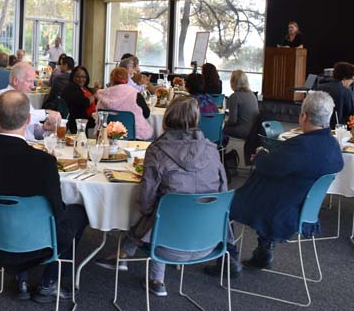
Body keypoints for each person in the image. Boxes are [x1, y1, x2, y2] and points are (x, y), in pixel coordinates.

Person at [96, 96, 231, 295]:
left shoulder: (158, 151)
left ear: (166, 119)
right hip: (209, 240)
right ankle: (143, 270)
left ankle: (132, 260)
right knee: (169, 207)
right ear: (196, 121)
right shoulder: (212, 150)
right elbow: (222, 193)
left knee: (151, 207)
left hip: (167, 242)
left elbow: (146, 202)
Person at [0, 90, 89, 302]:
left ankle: (21, 277)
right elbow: (57, 212)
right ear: (29, 119)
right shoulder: (43, 162)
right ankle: (48, 283)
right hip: (39, 242)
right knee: (79, 211)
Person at [225, 91, 343, 270]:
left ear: (303, 116)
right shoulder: (333, 146)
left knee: (224, 205)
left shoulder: (301, 146)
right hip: (303, 207)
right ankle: (264, 250)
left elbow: (269, 167)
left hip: (281, 209)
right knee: (273, 189)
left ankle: (228, 259)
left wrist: (260, 155)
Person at [0, 62, 60, 141]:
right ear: (15, 81)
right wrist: (47, 113)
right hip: (2, 148)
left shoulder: (23, 97)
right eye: (29, 81)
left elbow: (31, 129)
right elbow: (20, 117)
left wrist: (44, 128)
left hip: (25, 147)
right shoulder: (2, 96)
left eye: (33, 82)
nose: (32, 86)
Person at [96, 67, 154, 140]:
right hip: (136, 135)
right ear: (127, 79)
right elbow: (147, 114)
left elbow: (99, 117)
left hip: (108, 135)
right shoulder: (135, 93)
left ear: (111, 80)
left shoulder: (103, 96)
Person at [317, 61, 354, 127]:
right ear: (346, 77)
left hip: (319, 126)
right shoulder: (347, 92)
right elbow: (351, 115)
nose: (351, 83)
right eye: (352, 79)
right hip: (337, 129)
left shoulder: (319, 87)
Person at [61, 66, 99, 133]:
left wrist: (95, 90)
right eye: (78, 77)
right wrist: (94, 95)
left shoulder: (83, 87)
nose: (81, 79)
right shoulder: (71, 88)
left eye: (84, 77)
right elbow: (85, 102)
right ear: (73, 77)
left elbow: (91, 96)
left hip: (90, 118)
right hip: (78, 121)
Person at [224, 70, 259, 139]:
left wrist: (223, 123)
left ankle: (218, 149)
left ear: (233, 82)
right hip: (254, 130)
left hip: (243, 131)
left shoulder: (235, 96)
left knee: (218, 129)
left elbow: (232, 121)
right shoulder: (252, 94)